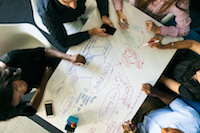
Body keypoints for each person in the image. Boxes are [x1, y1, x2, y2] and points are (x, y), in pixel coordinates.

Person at [0, 47, 86, 120]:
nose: (23, 88)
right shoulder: (5, 109)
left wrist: (69, 57)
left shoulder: (12, 58)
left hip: (48, 62)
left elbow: (43, 51)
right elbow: (31, 110)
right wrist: (43, 82)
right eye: (20, 97)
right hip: (43, 80)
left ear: (8, 78)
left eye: (15, 86)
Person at [37, 0, 114, 52]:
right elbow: (63, 41)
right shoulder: (47, 12)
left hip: (82, 10)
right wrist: (91, 32)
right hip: (63, 20)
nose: (73, 6)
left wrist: (104, 15)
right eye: (66, 1)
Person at [122, 83, 200, 133]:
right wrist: (155, 93)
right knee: (132, 91)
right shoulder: (193, 120)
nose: (162, 130)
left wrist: (133, 129)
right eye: (169, 129)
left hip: (138, 125)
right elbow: (173, 101)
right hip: (153, 106)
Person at [112, 0, 191, 38]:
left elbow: (184, 30)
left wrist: (159, 30)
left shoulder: (180, 3)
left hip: (148, 26)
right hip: (128, 13)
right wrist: (119, 12)